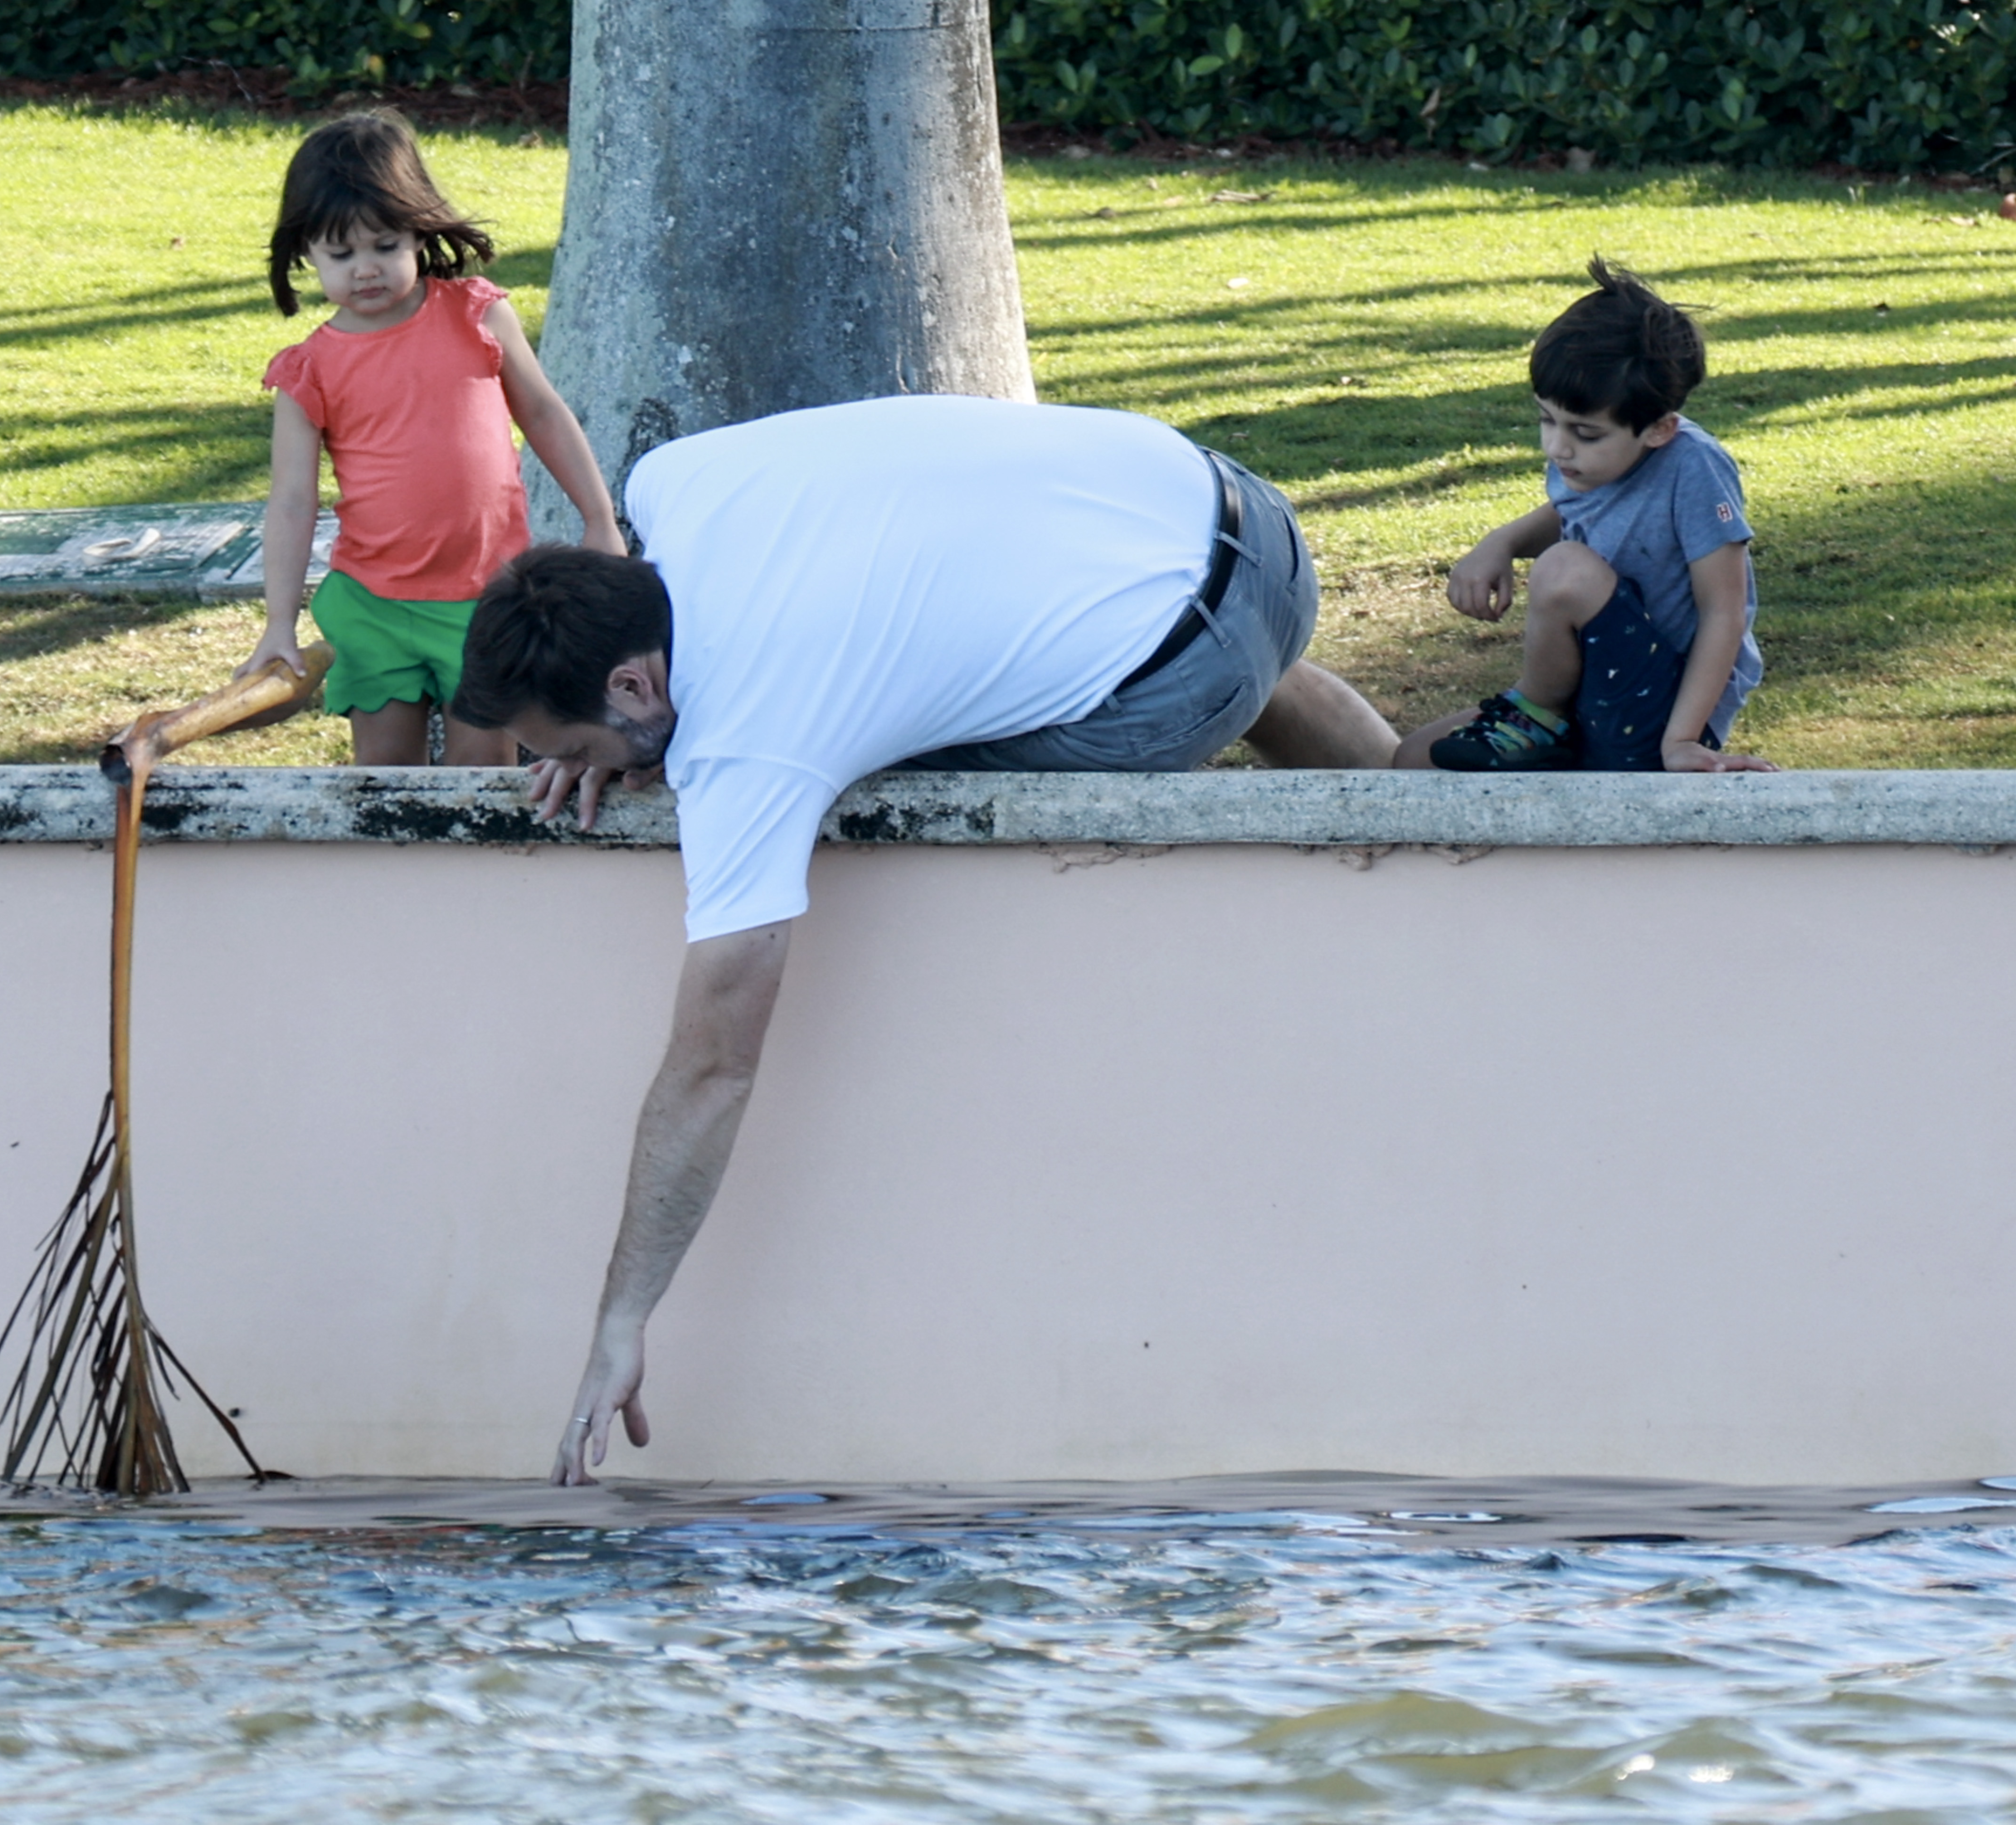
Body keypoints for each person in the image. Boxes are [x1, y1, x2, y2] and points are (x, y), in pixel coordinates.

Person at [446, 393, 1400, 1483]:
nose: (583, 766)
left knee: (877, 771)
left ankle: (1236, 684)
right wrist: (618, 737)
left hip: (1184, 674)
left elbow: (712, 1067)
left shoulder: (755, 743)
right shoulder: (676, 479)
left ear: (632, 680)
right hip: (1243, 519)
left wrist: (622, 1317)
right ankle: (1408, 789)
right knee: (1001, 646)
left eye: (571, 743)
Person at [239, 110, 624, 763]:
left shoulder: (478, 315)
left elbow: (545, 415)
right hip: (372, 608)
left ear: (420, 231)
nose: (366, 268)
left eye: (385, 246)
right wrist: (280, 622)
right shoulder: (309, 371)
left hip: (488, 600)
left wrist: (600, 521)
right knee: (386, 782)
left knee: (482, 777)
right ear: (306, 251)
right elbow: (292, 502)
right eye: (341, 253)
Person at [1396, 258, 1777, 775]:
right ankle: (1543, 720)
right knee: (1414, 759)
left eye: (1585, 432)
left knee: (1563, 567)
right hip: (1593, 695)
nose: (1558, 447)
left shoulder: (1695, 468)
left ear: (1659, 429)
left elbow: (1724, 613)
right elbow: (1573, 511)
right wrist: (1502, 542)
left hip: (1660, 716)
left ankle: (1538, 715)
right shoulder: (1586, 463)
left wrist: (1683, 740)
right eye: (1546, 420)